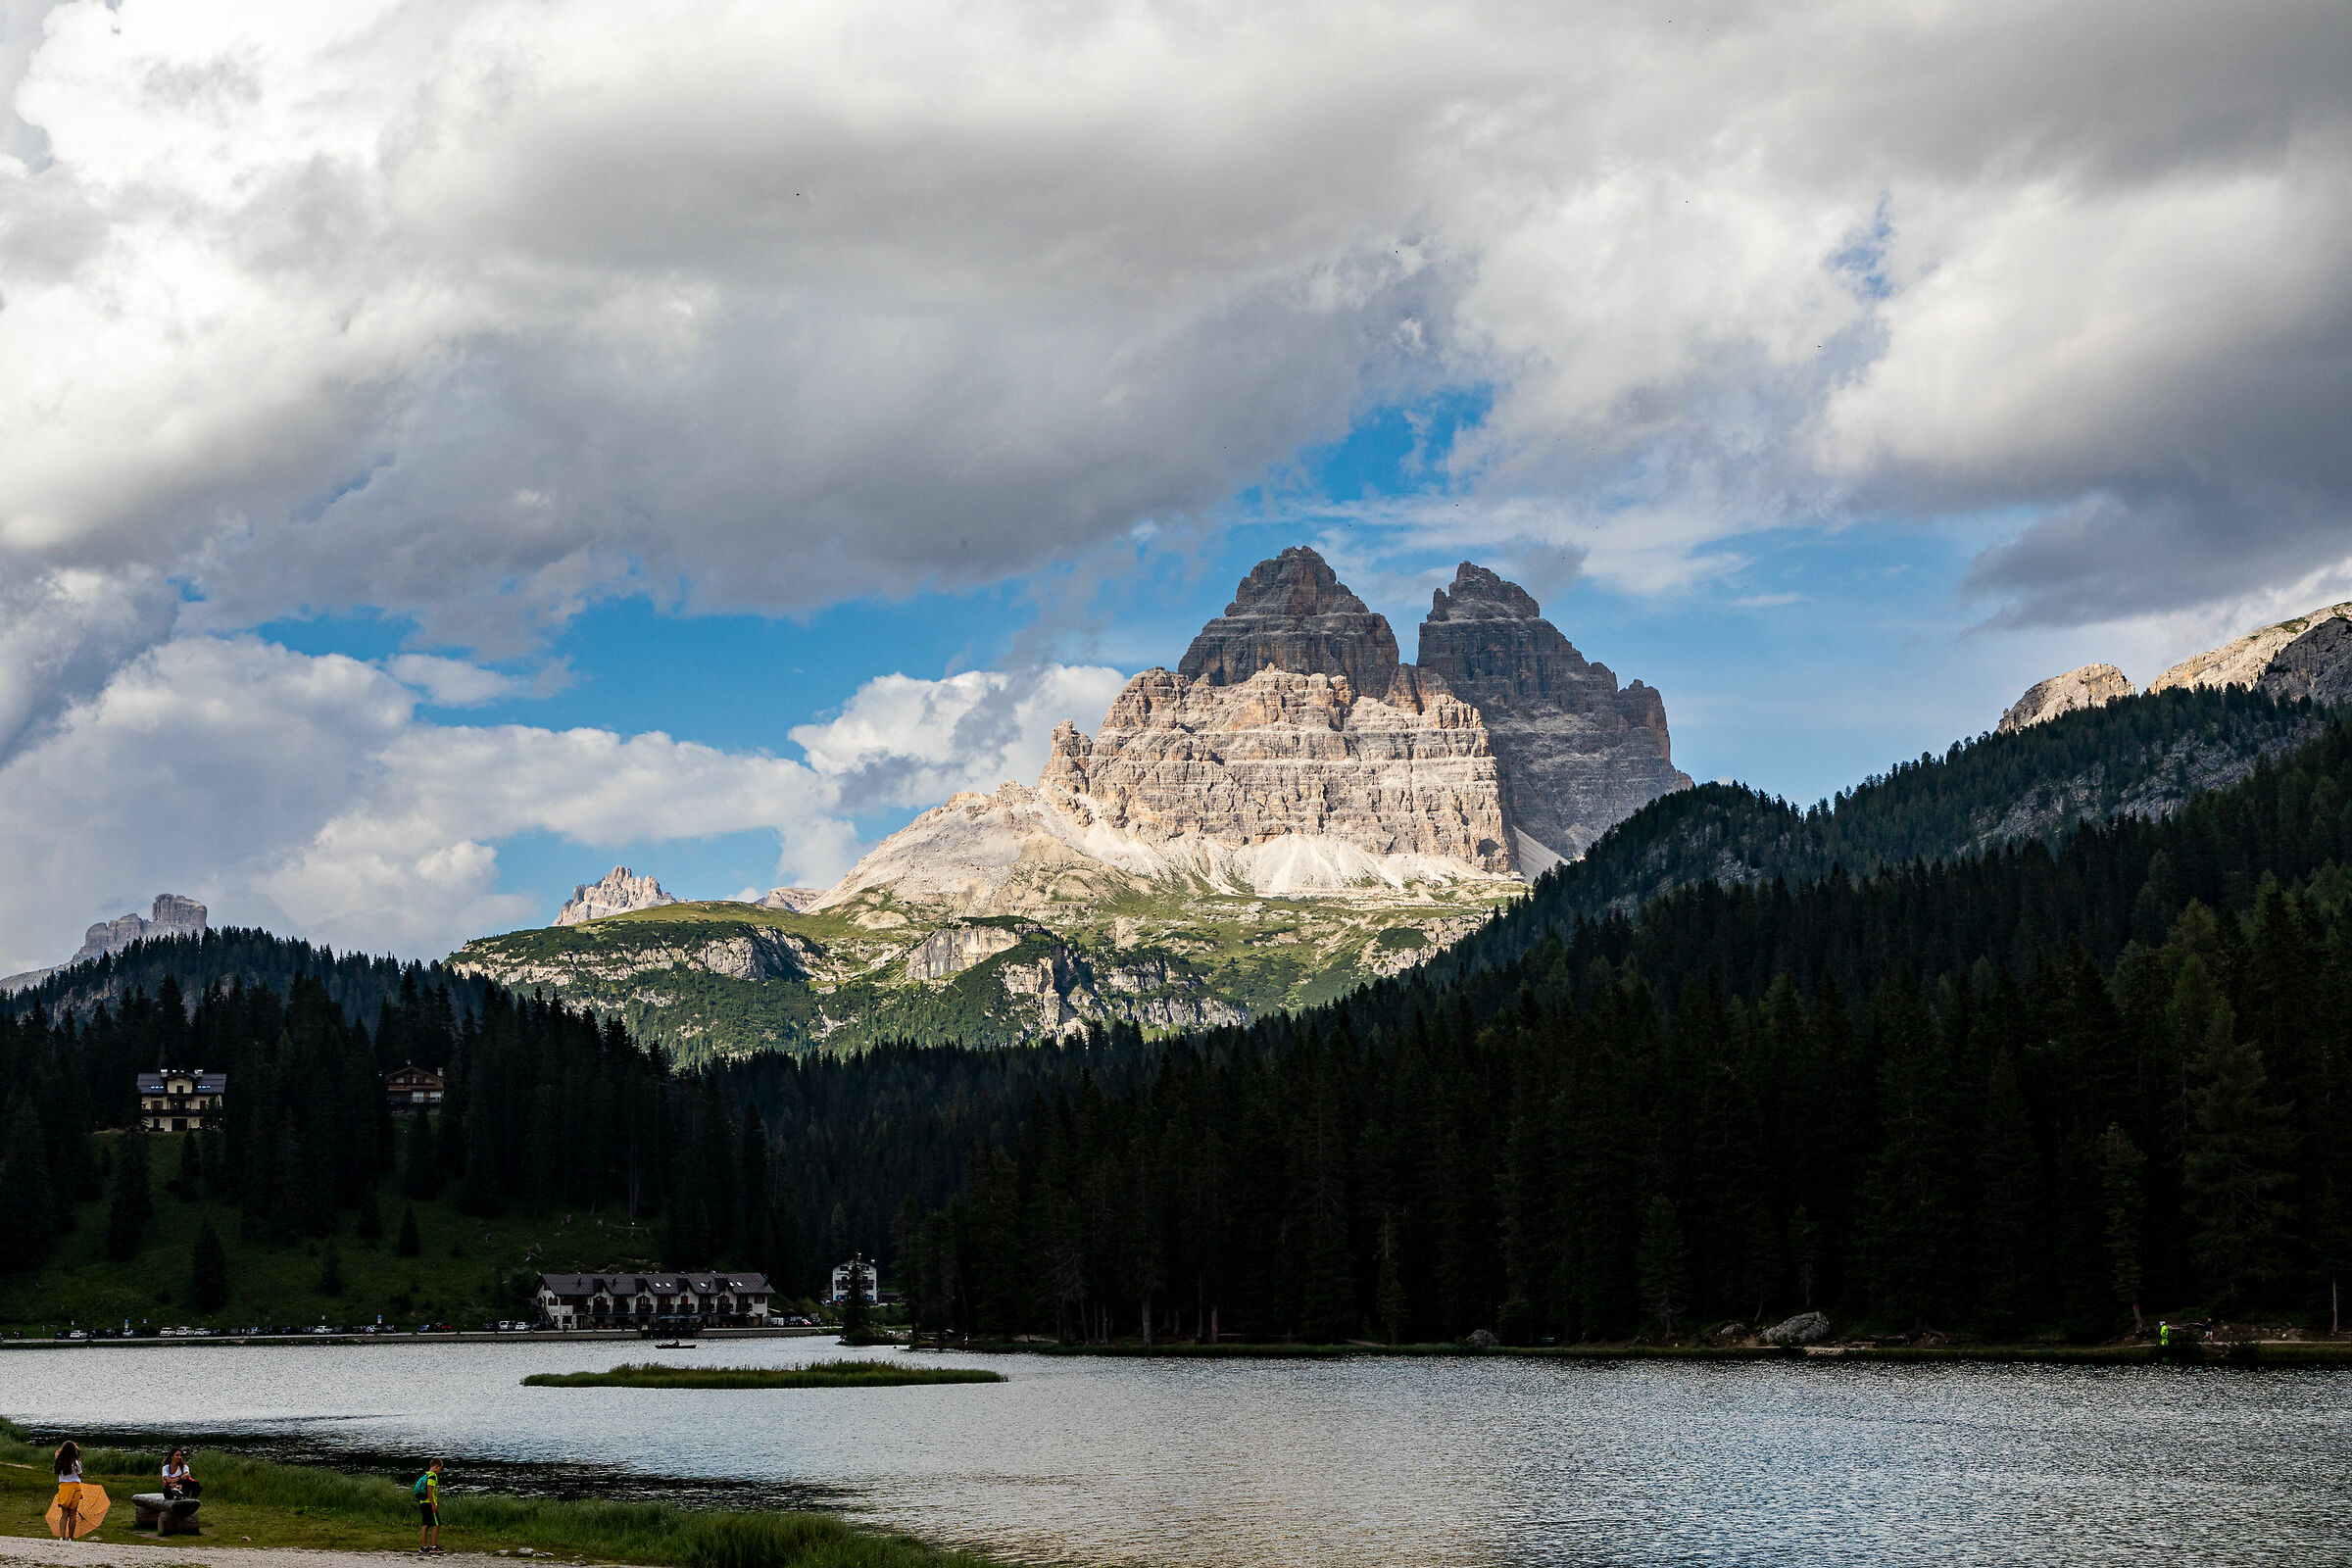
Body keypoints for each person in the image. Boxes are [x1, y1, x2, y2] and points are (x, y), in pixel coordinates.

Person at [54, 1442, 85, 1540]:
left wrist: (64, 1448)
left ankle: (62, 1536)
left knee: (64, 1515)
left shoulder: (59, 1462)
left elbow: (57, 1452)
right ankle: (70, 1537)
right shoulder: (76, 1463)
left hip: (63, 1488)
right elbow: (79, 1476)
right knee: (73, 1514)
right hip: (75, 1488)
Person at [414, 1458, 443, 1554]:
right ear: (436, 1466)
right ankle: (434, 1547)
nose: (439, 1471)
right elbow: (429, 1490)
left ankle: (424, 1547)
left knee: (425, 1523)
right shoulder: (432, 1476)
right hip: (429, 1503)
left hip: (423, 1503)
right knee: (436, 1523)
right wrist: (433, 1504)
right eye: (440, 1469)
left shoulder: (426, 1475)